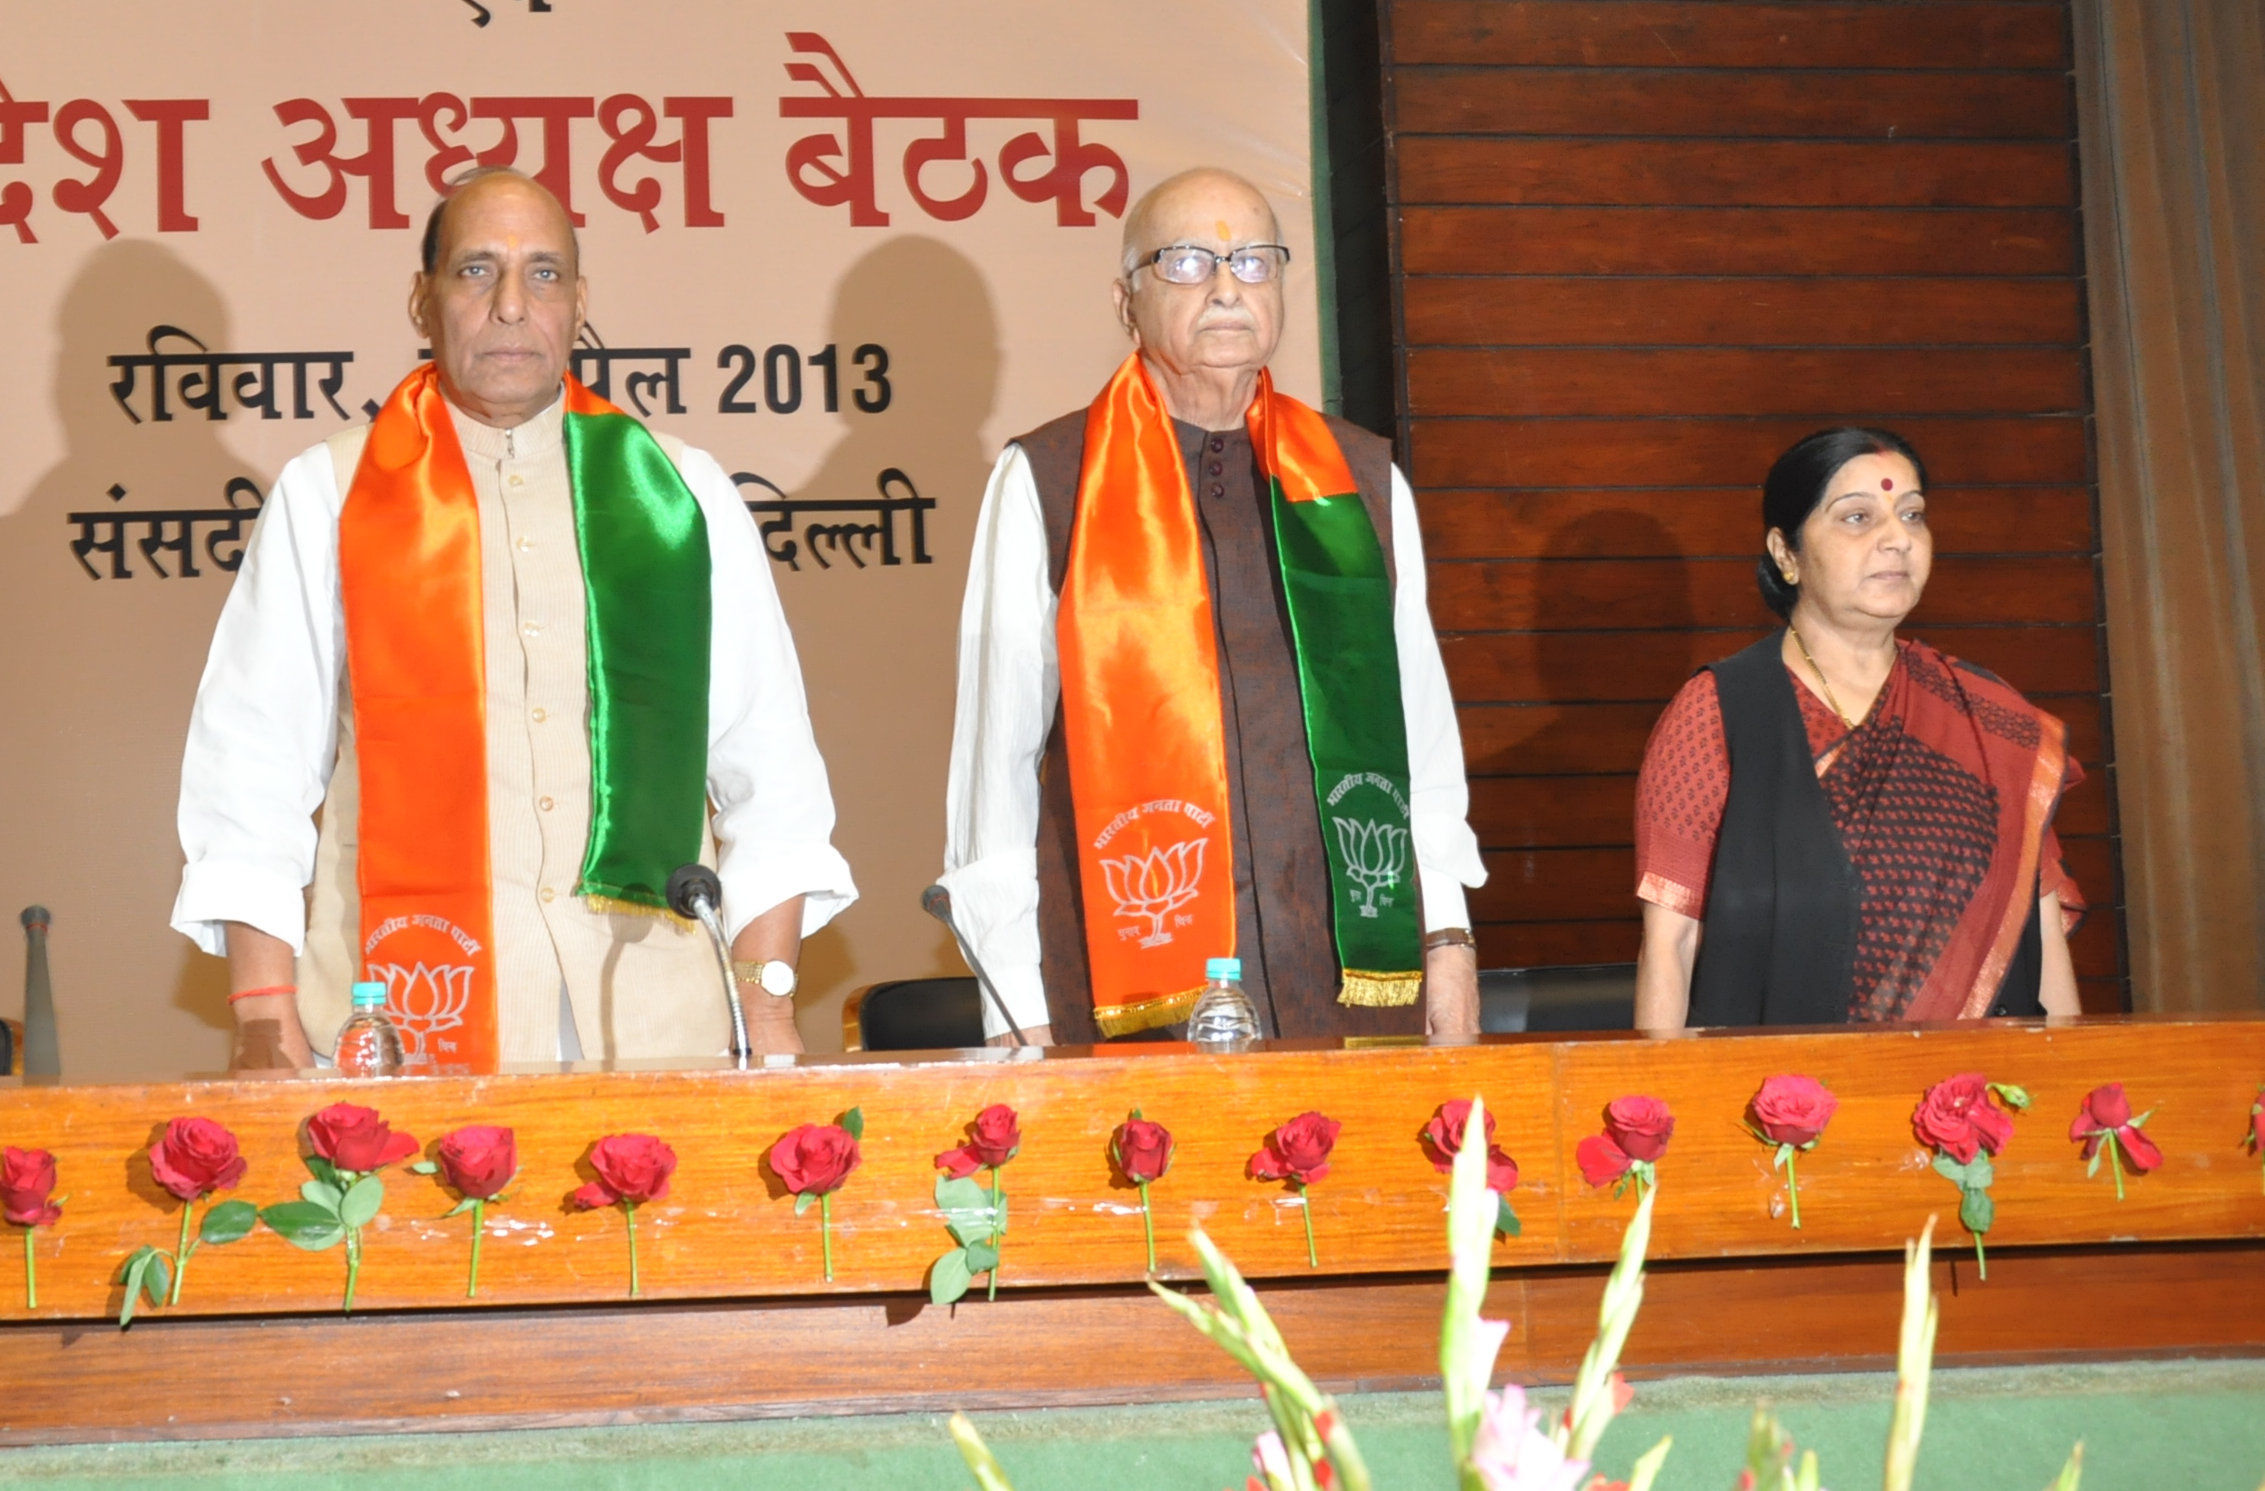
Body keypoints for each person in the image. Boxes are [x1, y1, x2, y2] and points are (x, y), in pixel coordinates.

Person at [173, 167, 854, 1071]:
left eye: (543, 274)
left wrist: (765, 1009)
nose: (508, 305)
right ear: (422, 301)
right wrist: (263, 1018)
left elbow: (772, 776)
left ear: (578, 302)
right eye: (475, 270)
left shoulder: (678, 494)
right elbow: (251, 770)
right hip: (402, 1027)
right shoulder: (329, 494)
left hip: (658, 1029)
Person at [941, 167, 1486, 1044]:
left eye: (1255, 262)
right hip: (1123, 981)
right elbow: (994, 764)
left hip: (1343, 973)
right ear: (1127, 301)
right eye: (1188, 261)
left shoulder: (1361, 479)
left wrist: (1449, 943)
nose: (1229, 289)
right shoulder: (1048, 477)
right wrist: (1015, 1007)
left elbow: (1419, 735)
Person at [1633, 427, 2081, 1027]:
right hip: (1788, 1097)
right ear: (1786, 552)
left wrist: (2073, 1077)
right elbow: (1671, 943)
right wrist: (1664, 1102)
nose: (1898, 539)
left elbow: (2039, 919)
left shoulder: (1987, 715)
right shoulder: (1720, 711)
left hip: (1980, 1093)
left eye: (1913, 514)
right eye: (1858, 517)